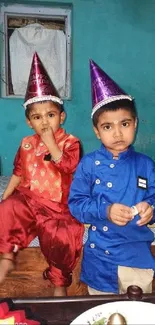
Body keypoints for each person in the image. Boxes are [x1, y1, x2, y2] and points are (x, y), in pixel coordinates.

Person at [0, 52, 84, 296]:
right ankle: (7, 255)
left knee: (62, 236)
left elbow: (68, 166)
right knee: (7, 210)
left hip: (58, 205)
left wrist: (51, 143)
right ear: (29, 122)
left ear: (62, 116)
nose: (45, 122)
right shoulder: (26, 143)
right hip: (30, 199)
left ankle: (59, 283)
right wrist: (6, 196)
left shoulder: (70, 142)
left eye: (51, 115)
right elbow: (18, 172)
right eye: (37, 117)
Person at [68, 59, 155, 295]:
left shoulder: (146, 165)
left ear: (135, 124)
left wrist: (150, 209)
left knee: (137, 315)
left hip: (136, 257)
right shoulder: (88, 164)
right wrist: (105, 210)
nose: (117, 133)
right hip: (101, 258)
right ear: (97, 131)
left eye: (124, 123)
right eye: (107, 127)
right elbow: (76, 205)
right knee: (101, 314)